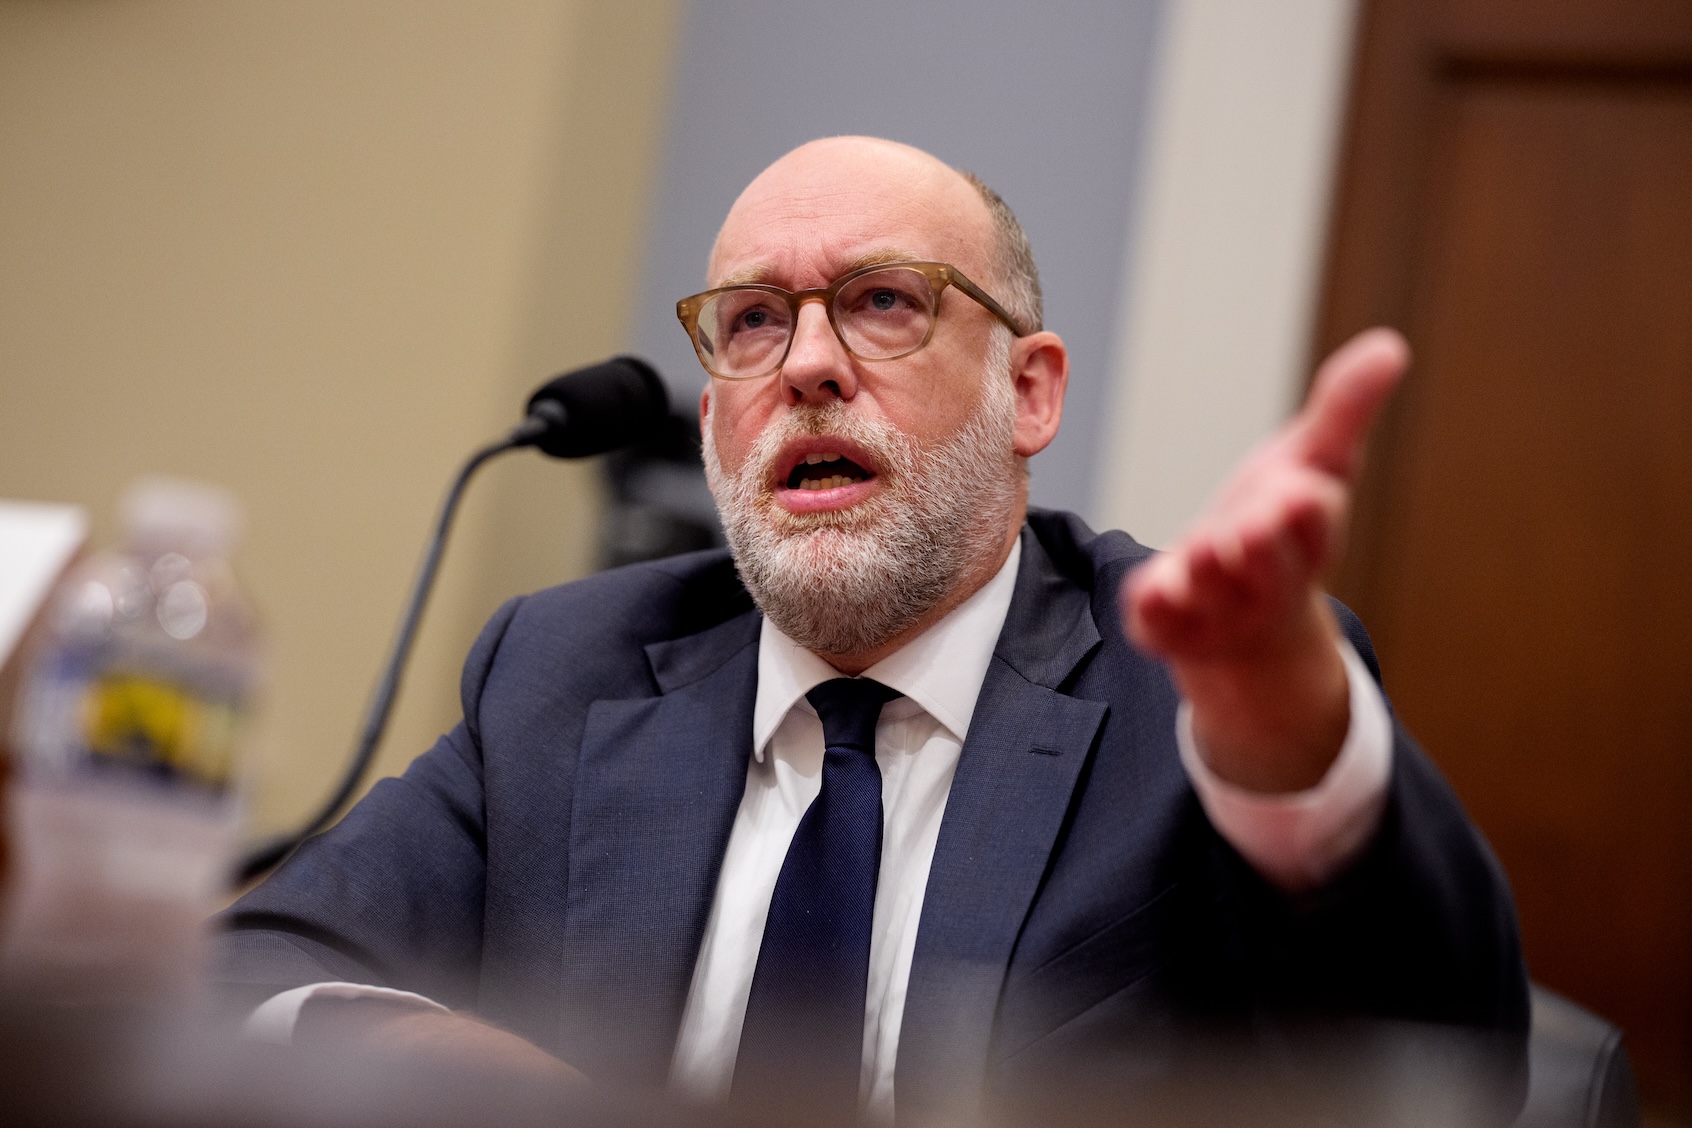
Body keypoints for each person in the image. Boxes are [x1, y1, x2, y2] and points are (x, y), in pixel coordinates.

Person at [216, 137, 1526, 1121]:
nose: (807, 363)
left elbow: (1439, 1061)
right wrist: (432, 1054)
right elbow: (247, 971)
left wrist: (1292, 759)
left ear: (1030, 389)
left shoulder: (1193, 688)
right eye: (754, 321)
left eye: (885, 302)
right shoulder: (566, 672)